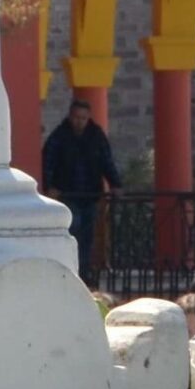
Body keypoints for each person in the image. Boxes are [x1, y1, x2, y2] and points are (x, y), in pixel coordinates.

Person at [41, 99, 123, 275]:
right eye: (77, 117)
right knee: (73, 231)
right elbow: (48, 162)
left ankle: (84, 271)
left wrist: (115, 184)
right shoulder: (59, 136)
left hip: (90, 194)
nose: (80, 121)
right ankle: (72, 270)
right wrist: (50, 187)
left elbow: (106, 161)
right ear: (70, 116)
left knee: (87, 236)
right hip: (67, 194)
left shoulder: (96, 136)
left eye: (83, 118)